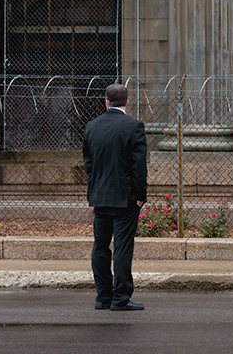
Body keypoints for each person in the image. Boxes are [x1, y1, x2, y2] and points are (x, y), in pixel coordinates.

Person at [82, 82, 148, 311]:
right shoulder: (133, 127)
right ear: (127, 102)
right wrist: (140, 195)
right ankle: (121, 297)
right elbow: (138, 166)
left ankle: (103, 296)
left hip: (100, 196)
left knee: (100, 246)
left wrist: (97, 183)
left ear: (106, 101)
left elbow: (88, 163)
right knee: (122, 247)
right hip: (125, 198)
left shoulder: (92, 126)